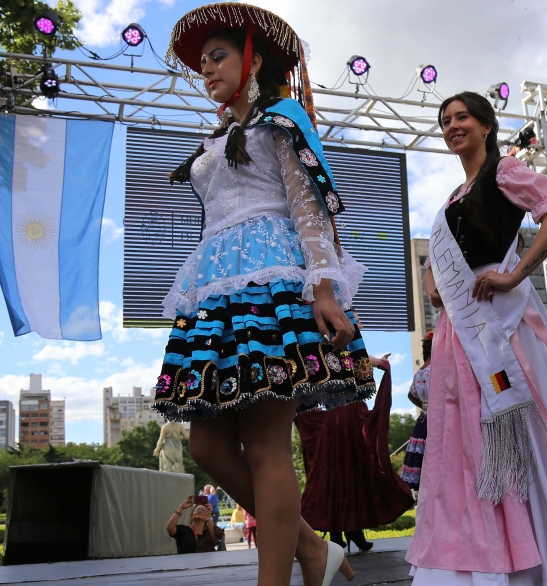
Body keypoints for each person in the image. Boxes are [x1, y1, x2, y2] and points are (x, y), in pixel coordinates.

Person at [152, 4, 368, 584]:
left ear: (252, 58)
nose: (207, 70)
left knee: (266, 442)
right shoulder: (222, 133)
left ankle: (278, 578)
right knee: (206, 444)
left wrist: (322, 287)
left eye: (217, 56)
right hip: (217, 290)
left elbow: (310, 208)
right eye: (201, 63)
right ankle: (312, 548)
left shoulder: (283, 117)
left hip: (274, 279)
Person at [406, 91, 547, 585]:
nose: (452, 125)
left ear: (486, 126)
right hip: (464, 329)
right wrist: (438, 291)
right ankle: (498, 552)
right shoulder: (451, 200)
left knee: (527, 428)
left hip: (503, 321)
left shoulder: (504, 173)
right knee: (473, 440)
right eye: (445, 120)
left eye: (462, 117)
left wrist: (515, 275)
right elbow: (431, 269)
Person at [295, 354, 414, 553]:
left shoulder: (324, 353)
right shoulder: (348, 351)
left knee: (338, 475)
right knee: (351, 474)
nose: (357, 321)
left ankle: (340, 533)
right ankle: (351, 531)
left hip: (335, 420)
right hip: (349, 417)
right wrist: (379, 362)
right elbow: (381, 364)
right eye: (356, 320)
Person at [403, 333, 433, 493]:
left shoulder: (419, 373)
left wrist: (424, 405)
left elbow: (410, 395)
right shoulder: (436, 369)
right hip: (436, 419)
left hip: (424, 420)